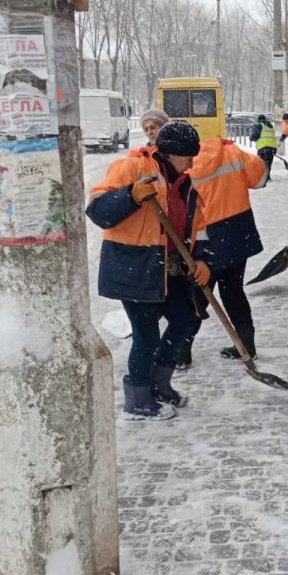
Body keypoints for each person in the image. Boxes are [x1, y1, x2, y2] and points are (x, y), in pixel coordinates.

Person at [86, 121, 208, 420]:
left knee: (185, 321)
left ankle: (159, 382)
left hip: (171, 269)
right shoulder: (131, 167)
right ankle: (138, 397)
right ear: (168, 154)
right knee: (146, 336)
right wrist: (130, 195)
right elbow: (97, 211)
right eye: (187, 157)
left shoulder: (185, 182)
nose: (192, 163)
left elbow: (198, 225)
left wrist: (203, 259)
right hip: (135, 266)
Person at [183, 135, 269, 364]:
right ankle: (246, 345)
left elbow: (189, 209)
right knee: (233, 290)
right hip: (238, 232)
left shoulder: (187, 164)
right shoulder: (233, 153)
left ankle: (181, 349)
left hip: (206, 237)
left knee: (198, 293)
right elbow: (260, 178)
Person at [249, 113, 277, 180]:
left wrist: (251, 138)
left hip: (263, 147)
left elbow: (255, 136)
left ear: (258, 120)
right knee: (268, 163)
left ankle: (263, 177)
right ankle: (267, 176)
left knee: (262, 163)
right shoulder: (270, 126)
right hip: (272, 147)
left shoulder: (259, 125)